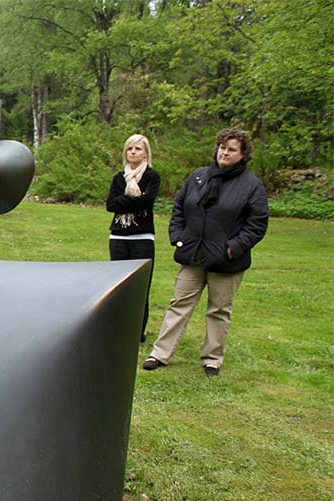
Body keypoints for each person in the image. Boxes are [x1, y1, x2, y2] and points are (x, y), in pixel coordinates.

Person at [142, 128, 268, 377]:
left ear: (243, 155)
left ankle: (212, 359)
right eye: (222, 147)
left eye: (231, 149)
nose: (224, 152)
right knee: (178, 304)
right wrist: (178, 237)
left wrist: (233, 248)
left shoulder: (251, 185)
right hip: (193, 255)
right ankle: (159, 353)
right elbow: (179, 207)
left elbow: (257, 224)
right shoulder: (198, 177)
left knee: (219, 310)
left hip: (227, 261)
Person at [105, 134, 161, 343]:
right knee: (118, 285)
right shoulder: (119, 178)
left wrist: (126, 202)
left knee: (140, 286)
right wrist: (131, 199)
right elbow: (111, 205)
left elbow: (147, 202)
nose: (133, 152)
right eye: (130, 149)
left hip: (142, 238)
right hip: (119, 237)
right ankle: (118, 327)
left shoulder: (152, 177)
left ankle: (138, 330)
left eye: (137, 149)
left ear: (145, 152)